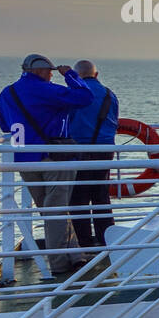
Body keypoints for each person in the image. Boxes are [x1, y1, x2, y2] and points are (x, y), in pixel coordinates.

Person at [0, 53, 94, 275]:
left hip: (23, 160)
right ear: (39, 71)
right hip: (51, 157)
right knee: (55, 211)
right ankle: (60, 265)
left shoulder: (6, 93)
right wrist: (70, 74)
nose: (51, 76)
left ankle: (76, 256)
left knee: (50, 211)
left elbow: (3, 123)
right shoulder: (45, 90)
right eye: (50, 72)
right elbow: (85, 97)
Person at [67, 59, 119, 248]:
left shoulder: (74, 94)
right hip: (105, 151)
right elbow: (114, 121)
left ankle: (84, 242)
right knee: (101, 196)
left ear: (76, 75)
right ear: (96, 74)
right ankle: (106, 240)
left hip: (78, 151)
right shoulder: (109, 94)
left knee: (78, 198)